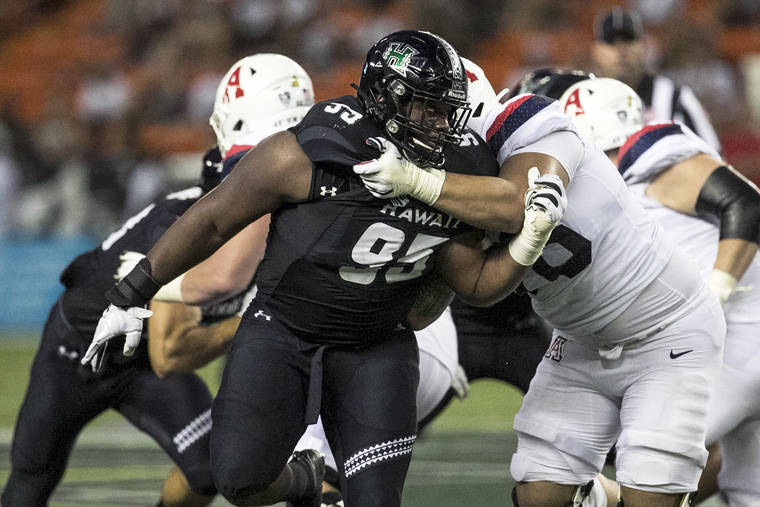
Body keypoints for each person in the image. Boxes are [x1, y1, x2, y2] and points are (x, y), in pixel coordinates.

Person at [80, 30, 568, 507]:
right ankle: (303, 479)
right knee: (240, 480)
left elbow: (476, 284)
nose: (442, 124)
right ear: (387, 98)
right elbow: (212, 219)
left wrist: (527, 244)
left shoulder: (460, 167)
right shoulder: (307, 153)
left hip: (377, 345)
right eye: (428, 107)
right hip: (284, 332)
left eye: (448, 110)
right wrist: (131, 293)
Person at [351, 60, 726, 506]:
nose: (430, 128)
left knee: (650, 497)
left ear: (467, 107)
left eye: (436, 112)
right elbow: (475, 289)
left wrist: (417, 181)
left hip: (666, 330)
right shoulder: (454, 181)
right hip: (579, 340)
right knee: (538, 494)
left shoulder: (532, 121)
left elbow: (515, 204)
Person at [1, 52, 316, 507]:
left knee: (209, 471)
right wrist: (250, 322)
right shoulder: (186, 226)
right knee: (34, 475)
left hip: (141, 363)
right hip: (79, 352)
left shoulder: (267, 231)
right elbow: (170, 354)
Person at [556, 76, 760, 507]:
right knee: (745, 489)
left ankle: (589, 497)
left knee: (642, 461)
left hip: (740, 341)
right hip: (733, 344)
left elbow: (748, 205)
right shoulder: (611, 196)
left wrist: (714, 295)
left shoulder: (649, 156)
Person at [590, 6, 722, 153]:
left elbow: (714, 156)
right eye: (611, 42)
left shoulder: (676, 98)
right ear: (595, 50)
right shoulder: (585, 102)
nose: (621, 50)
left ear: (644, 47)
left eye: (629, 40)